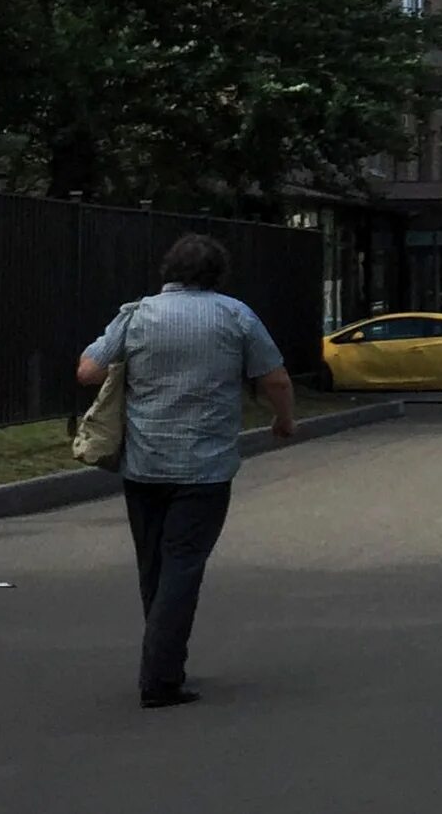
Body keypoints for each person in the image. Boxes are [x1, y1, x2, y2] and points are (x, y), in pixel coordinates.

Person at [75, 233, 296, 708]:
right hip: (205, 467)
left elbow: (88, 371)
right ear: (217, 273)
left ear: (169, 269)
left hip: (145, 463)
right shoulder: (235, 315)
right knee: (184, 564)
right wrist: (283, 420)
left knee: (154, 565)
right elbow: (274, 377)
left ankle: (163, 659)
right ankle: (159, 676)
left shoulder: (137, 314)